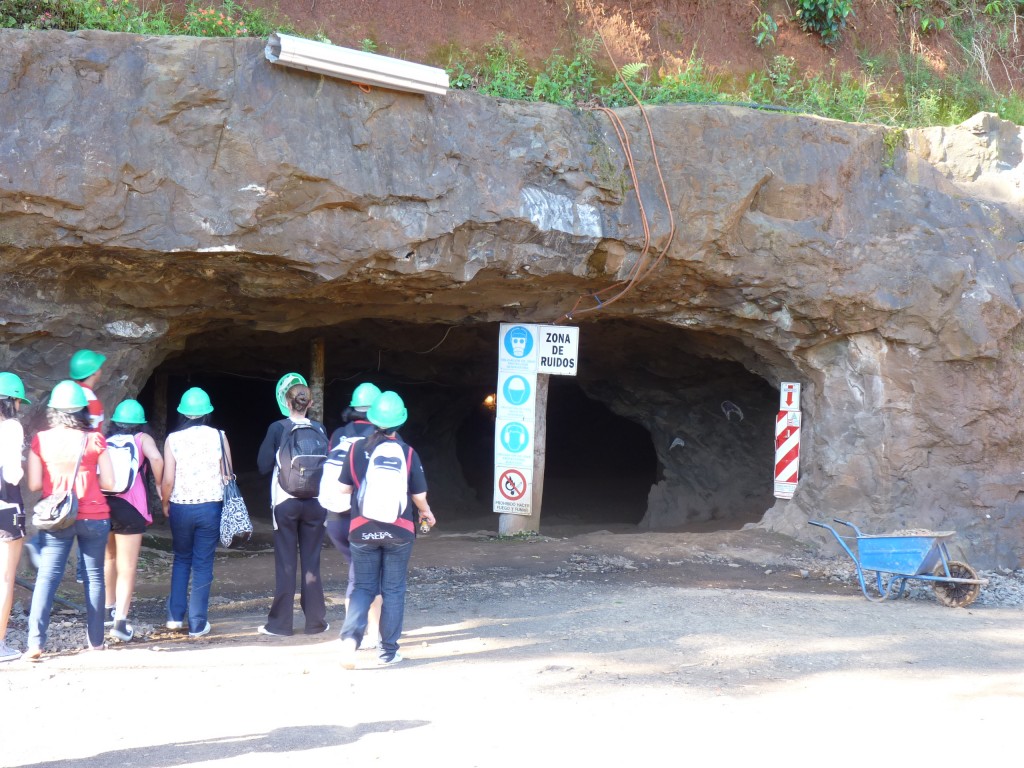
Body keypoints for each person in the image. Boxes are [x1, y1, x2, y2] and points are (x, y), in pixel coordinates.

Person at [337, 391, 434, 668]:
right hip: (400, 531)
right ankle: (388, 652)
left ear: (372, 419)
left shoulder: (355, 449)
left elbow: (343, 488)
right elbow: (418, 494)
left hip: (362, 529)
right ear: (400, 421)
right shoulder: (407, 452)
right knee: (393, 589)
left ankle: (349, 643)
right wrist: (426, 513)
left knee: (363, 587)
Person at [25, 380, 115, 660]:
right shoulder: (95, 439)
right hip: (95, 514)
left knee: (47, 578)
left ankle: (35, 644)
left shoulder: (41, 440)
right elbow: (110, 482)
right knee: (94, 577)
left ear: (54, 410)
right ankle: (96, 642)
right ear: (82, 411)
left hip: (58, 517)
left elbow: (34, 484)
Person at [24, 348, 106, 580]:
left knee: (59, 501)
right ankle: (81, 569)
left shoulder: (65, 392)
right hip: (84, 459)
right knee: (85, 510)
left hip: (59, 458)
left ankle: (39, 543)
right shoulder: (89, 400)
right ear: (95, 372)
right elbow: (92, 430)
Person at [256, 378, 329, 637]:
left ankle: (280, 624)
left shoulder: (278, 428)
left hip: (285, 502)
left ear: (287, 402)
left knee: (286, 564)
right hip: (316, 504)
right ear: (309, 403)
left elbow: (263, 465)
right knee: (312, 563)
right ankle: (316, 623)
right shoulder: (320, 429)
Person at [161, 387, 229, 638]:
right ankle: (198, 623)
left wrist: (166, 502)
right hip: (210, 506)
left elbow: (168, 479)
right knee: (203, 563)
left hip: (181, 506)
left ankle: (175, 618)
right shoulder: (220, 437)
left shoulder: (173, 439)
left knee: (181, 559)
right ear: (207, 413)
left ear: (182, 413)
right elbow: (227, 475)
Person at [320, 381, 383, 648]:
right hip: (365, 515)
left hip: (335, 517)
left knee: (357, 572)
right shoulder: (383, 436)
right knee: (368, 575)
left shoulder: (338, 435)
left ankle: (354, 629)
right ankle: (368, 634)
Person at [103, 400, 164, 642]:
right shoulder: (141, 438)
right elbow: (157, 460)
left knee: (109, 558)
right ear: (140, 423)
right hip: (131, 506)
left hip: (104, 504)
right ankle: (120, 621)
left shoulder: (105, 439)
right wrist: (159, 484)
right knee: (127, 567)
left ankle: (108, 608)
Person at [0, 373, 30, 662]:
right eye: (19, 400)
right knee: (5, 578)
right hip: (6, 508)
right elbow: (12, 474)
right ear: (11, 401)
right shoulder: (11, 427)